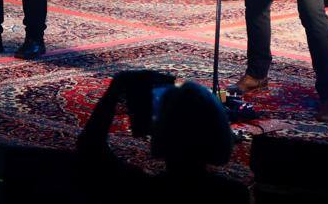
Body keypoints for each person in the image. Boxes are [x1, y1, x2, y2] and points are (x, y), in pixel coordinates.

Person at [75, 70, 249, 203]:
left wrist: (115, 89)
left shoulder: (142, 188)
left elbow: (89, 150)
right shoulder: (234, 194)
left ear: (160, 133)